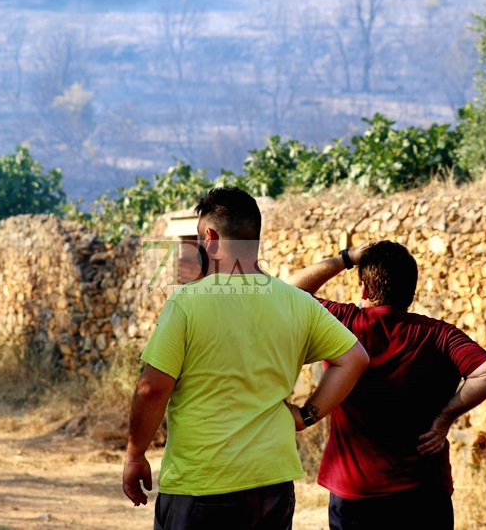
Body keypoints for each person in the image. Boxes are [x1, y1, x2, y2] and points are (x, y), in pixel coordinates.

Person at [122, 186, 369, 529]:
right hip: (271, 484)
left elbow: (152, 389)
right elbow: (354, 358)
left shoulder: (186, 303)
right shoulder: (297, 301)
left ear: (209, 238)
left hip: (202, 483)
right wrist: (305, 415)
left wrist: (135, 454)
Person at [286, 240, 486, 530]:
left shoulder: (344, 322)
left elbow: (290, 292)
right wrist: (445, 418)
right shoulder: (439, 335)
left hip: (357, 492)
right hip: (425, 493)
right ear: (411, 292)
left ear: (364, 288)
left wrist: (347, 258)